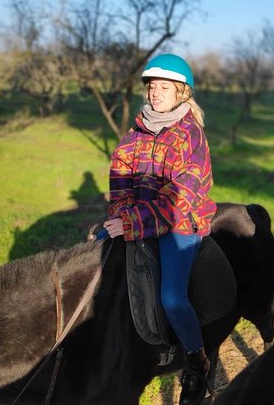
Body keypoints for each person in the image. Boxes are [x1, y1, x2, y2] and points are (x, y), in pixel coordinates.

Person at [96, 54, 216, 405]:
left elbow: (180, 199)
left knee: (171, 298)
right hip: (140, 218)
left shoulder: (190, 136)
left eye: (164, 87)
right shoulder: (133, 136)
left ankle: (196, 361)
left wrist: (132, 222)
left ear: (181, 92)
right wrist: (120, 216)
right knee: (96, 252)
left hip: (181, 221)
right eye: (151, 87)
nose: (155, 93)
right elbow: (120, 185)